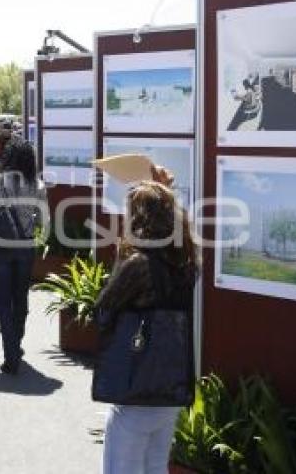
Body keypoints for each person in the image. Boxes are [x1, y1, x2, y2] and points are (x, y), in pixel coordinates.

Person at [96, 181, 198, 474]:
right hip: (171, 384)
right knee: (155, 466)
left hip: (137, 385)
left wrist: (120, 257)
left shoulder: (138, 264)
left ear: (139, 218)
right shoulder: (187, 262)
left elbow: (103, 311)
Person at [0, 140, 48, 374]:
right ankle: (16, 343)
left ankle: (10, 351)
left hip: (0, 246)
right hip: (25, 246)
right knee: (20, 297)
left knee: (2, 300)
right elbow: (42, 219)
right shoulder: (37, 185)